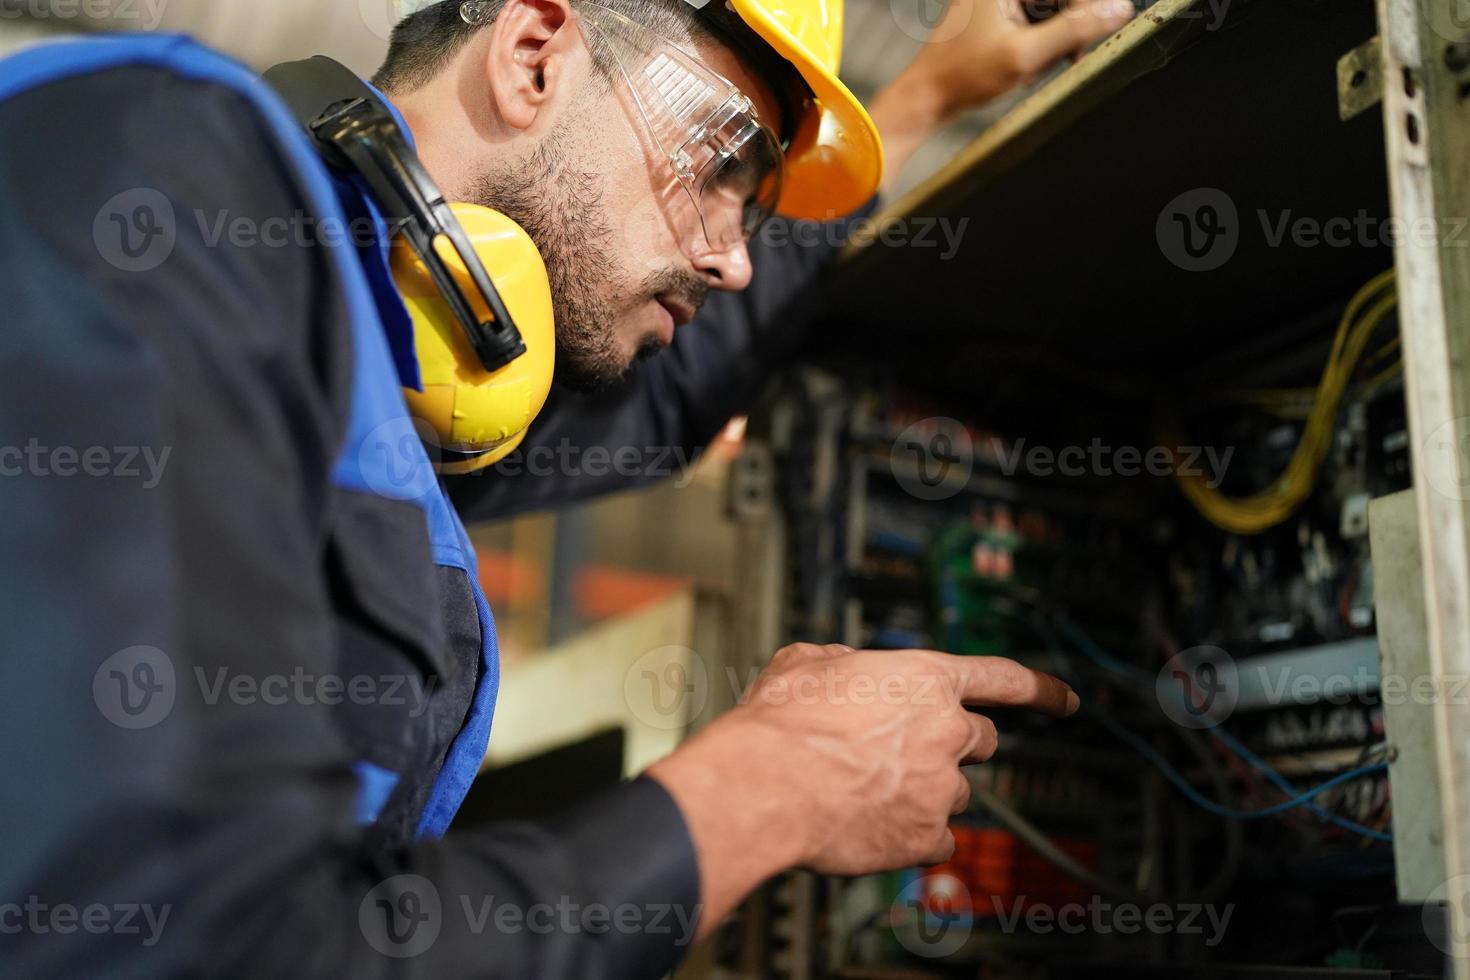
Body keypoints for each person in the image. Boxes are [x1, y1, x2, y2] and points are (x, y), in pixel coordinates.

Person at [0, 0, 1127, 975]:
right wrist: (777, 780)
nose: (735, 256)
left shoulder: (396, 385)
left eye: (759, 202)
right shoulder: (152, 175)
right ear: (535, 52)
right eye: (725, 155)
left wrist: (927, 92)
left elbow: (658, 398)